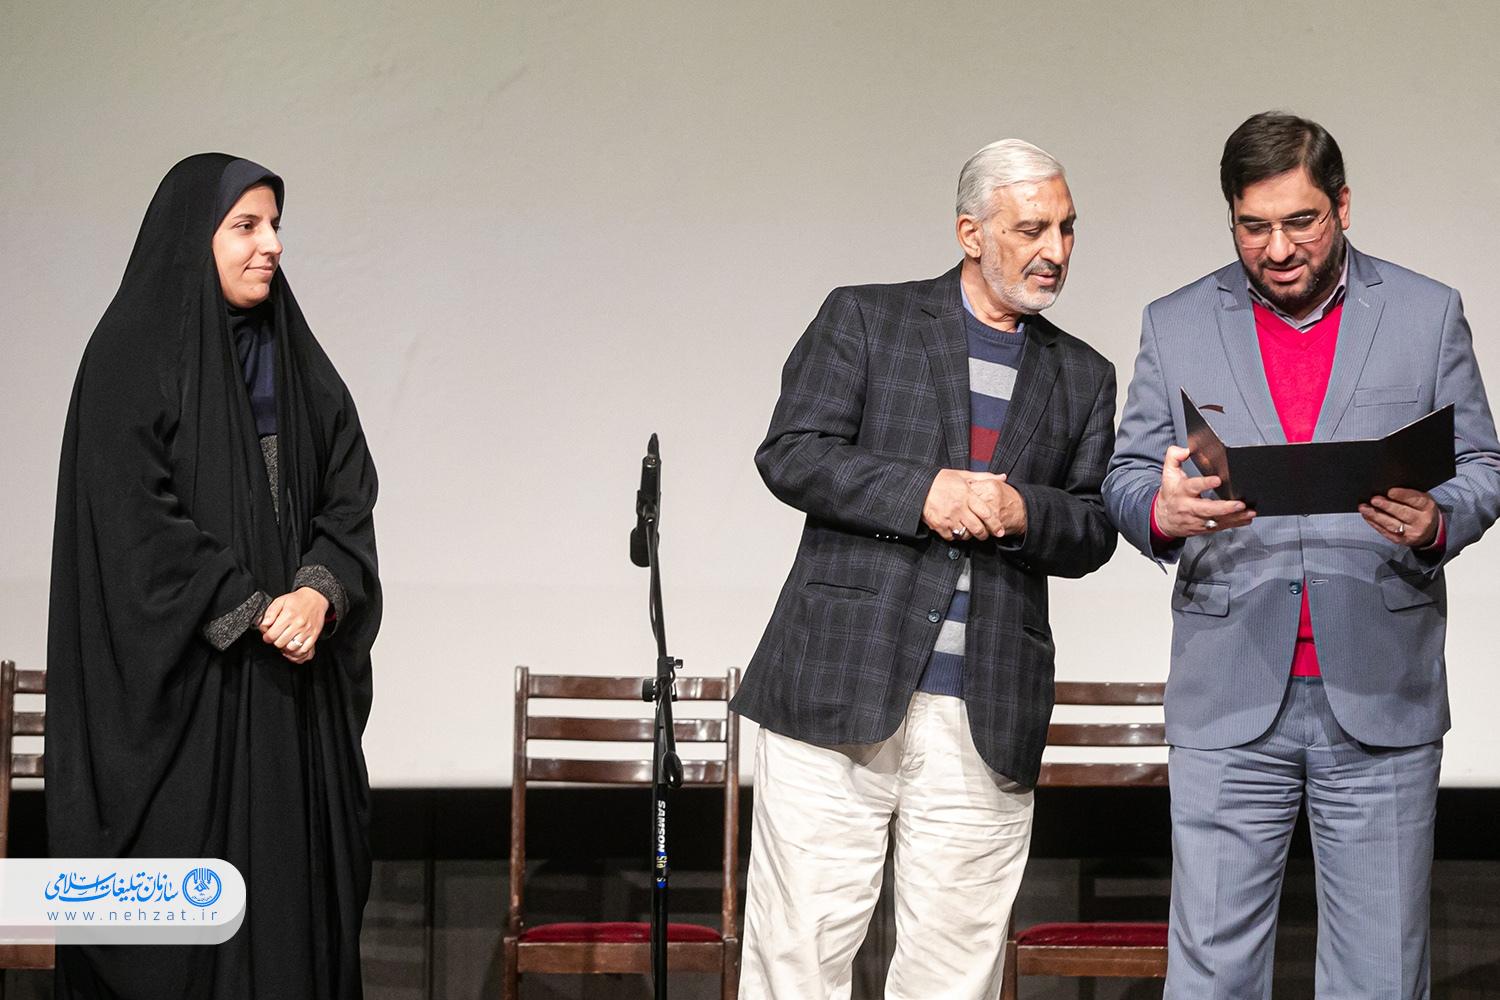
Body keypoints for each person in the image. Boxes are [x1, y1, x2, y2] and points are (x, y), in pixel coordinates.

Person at [1103, 111, 1500, 998]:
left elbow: (1482, 463)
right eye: (1253, 227)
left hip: (1381, 689)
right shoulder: (1175, 323)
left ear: (1343, 206)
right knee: (1212, 973)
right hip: (1229, 687)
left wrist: (1436, 521)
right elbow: (1126, 476)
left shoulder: (1426, 312)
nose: (1278, 249)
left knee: (1378, 974)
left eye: (1301, 222)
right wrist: (1162, 512)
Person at [731, 139, 1117, 999]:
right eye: (1031, 229)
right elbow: (792, 452)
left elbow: (1094, 527)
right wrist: (921, 493)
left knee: (953, 971)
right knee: (798, 956)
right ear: (970, 233)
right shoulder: (868, 318)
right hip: (838, 685)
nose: (1055, 250)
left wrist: (1025, 513)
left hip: (986, 707)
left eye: (1066, 228)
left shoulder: (1083, 374)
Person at [47, 153, 382, 999]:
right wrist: (249, 605)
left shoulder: (297, 362)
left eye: (275, 226)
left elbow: (348, 495)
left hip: (290, 711)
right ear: (193, 235)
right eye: (246, 226)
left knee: (290, 928)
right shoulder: (129, 355)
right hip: (187, 710)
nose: (272, 245)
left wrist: (317, 592)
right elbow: (131, 520)